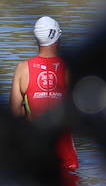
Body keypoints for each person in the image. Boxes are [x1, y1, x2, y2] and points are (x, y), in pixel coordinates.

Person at [8, 16, 78, 173]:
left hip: (35, 153)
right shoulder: (68, 68)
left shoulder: (22, 69)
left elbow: (13, 115)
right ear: (57, 37)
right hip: (65, 153)